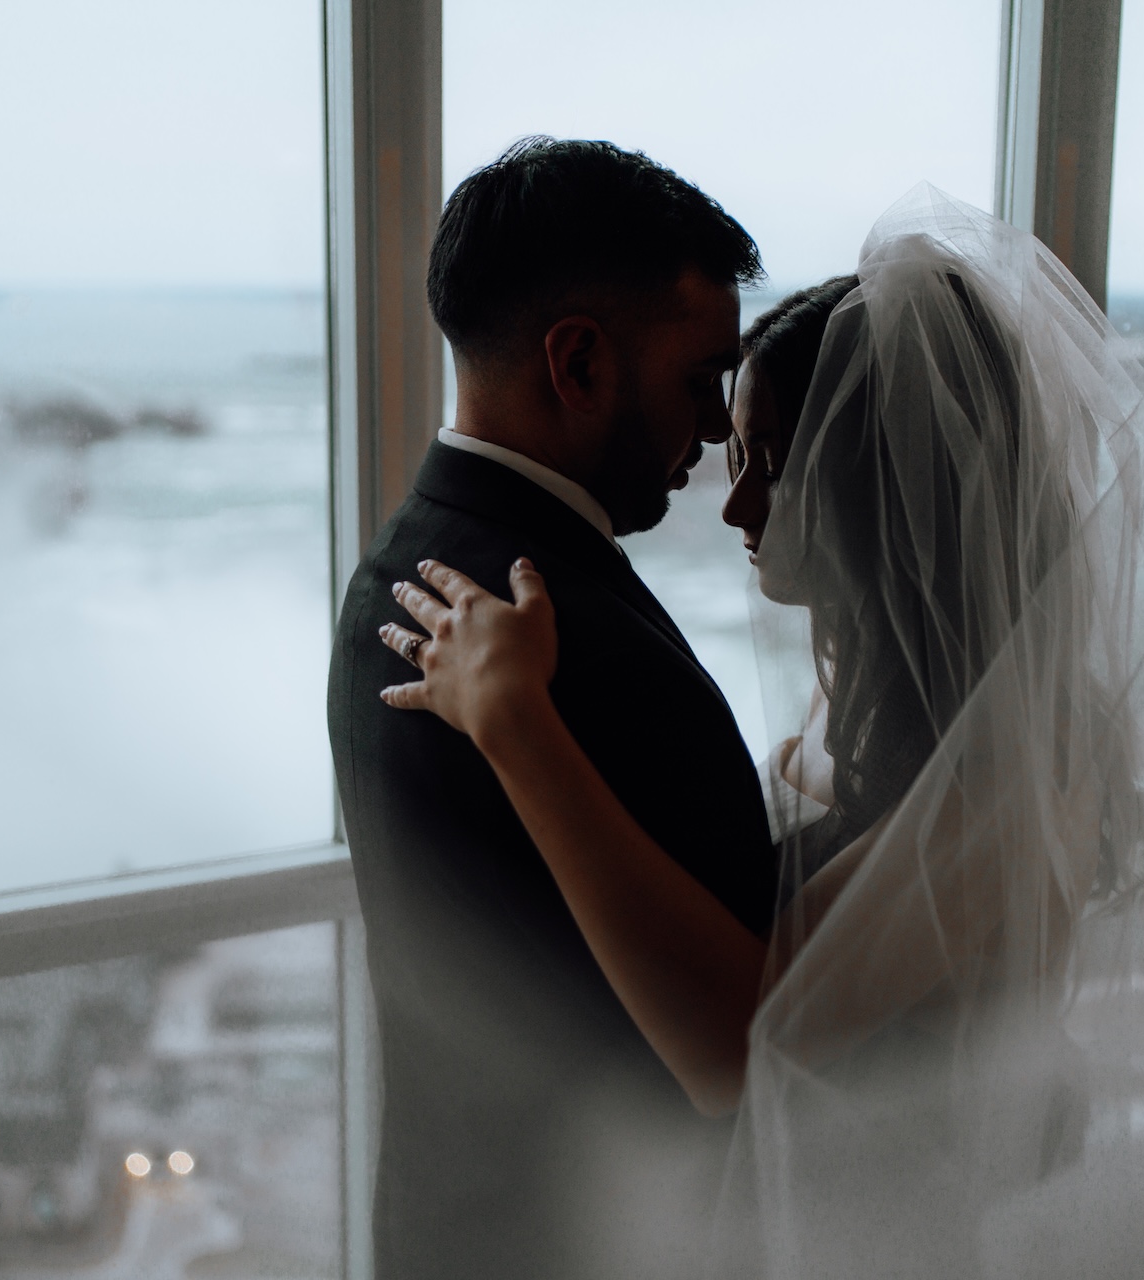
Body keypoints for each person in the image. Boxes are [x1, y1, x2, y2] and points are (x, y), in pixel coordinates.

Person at [376, 185, 1144, 1272]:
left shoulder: (1004, 778)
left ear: (877, 487)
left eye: (767, 459)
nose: (734, 503)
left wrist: (518, 725)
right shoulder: (867, 702)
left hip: (895, 1234)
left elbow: (739, 1042)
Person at [325, 137, 773, 1280]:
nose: (719, 427)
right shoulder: (555, 631)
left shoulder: (405, 568)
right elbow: (736, 1043)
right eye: (699, 379)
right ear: (578, 363)